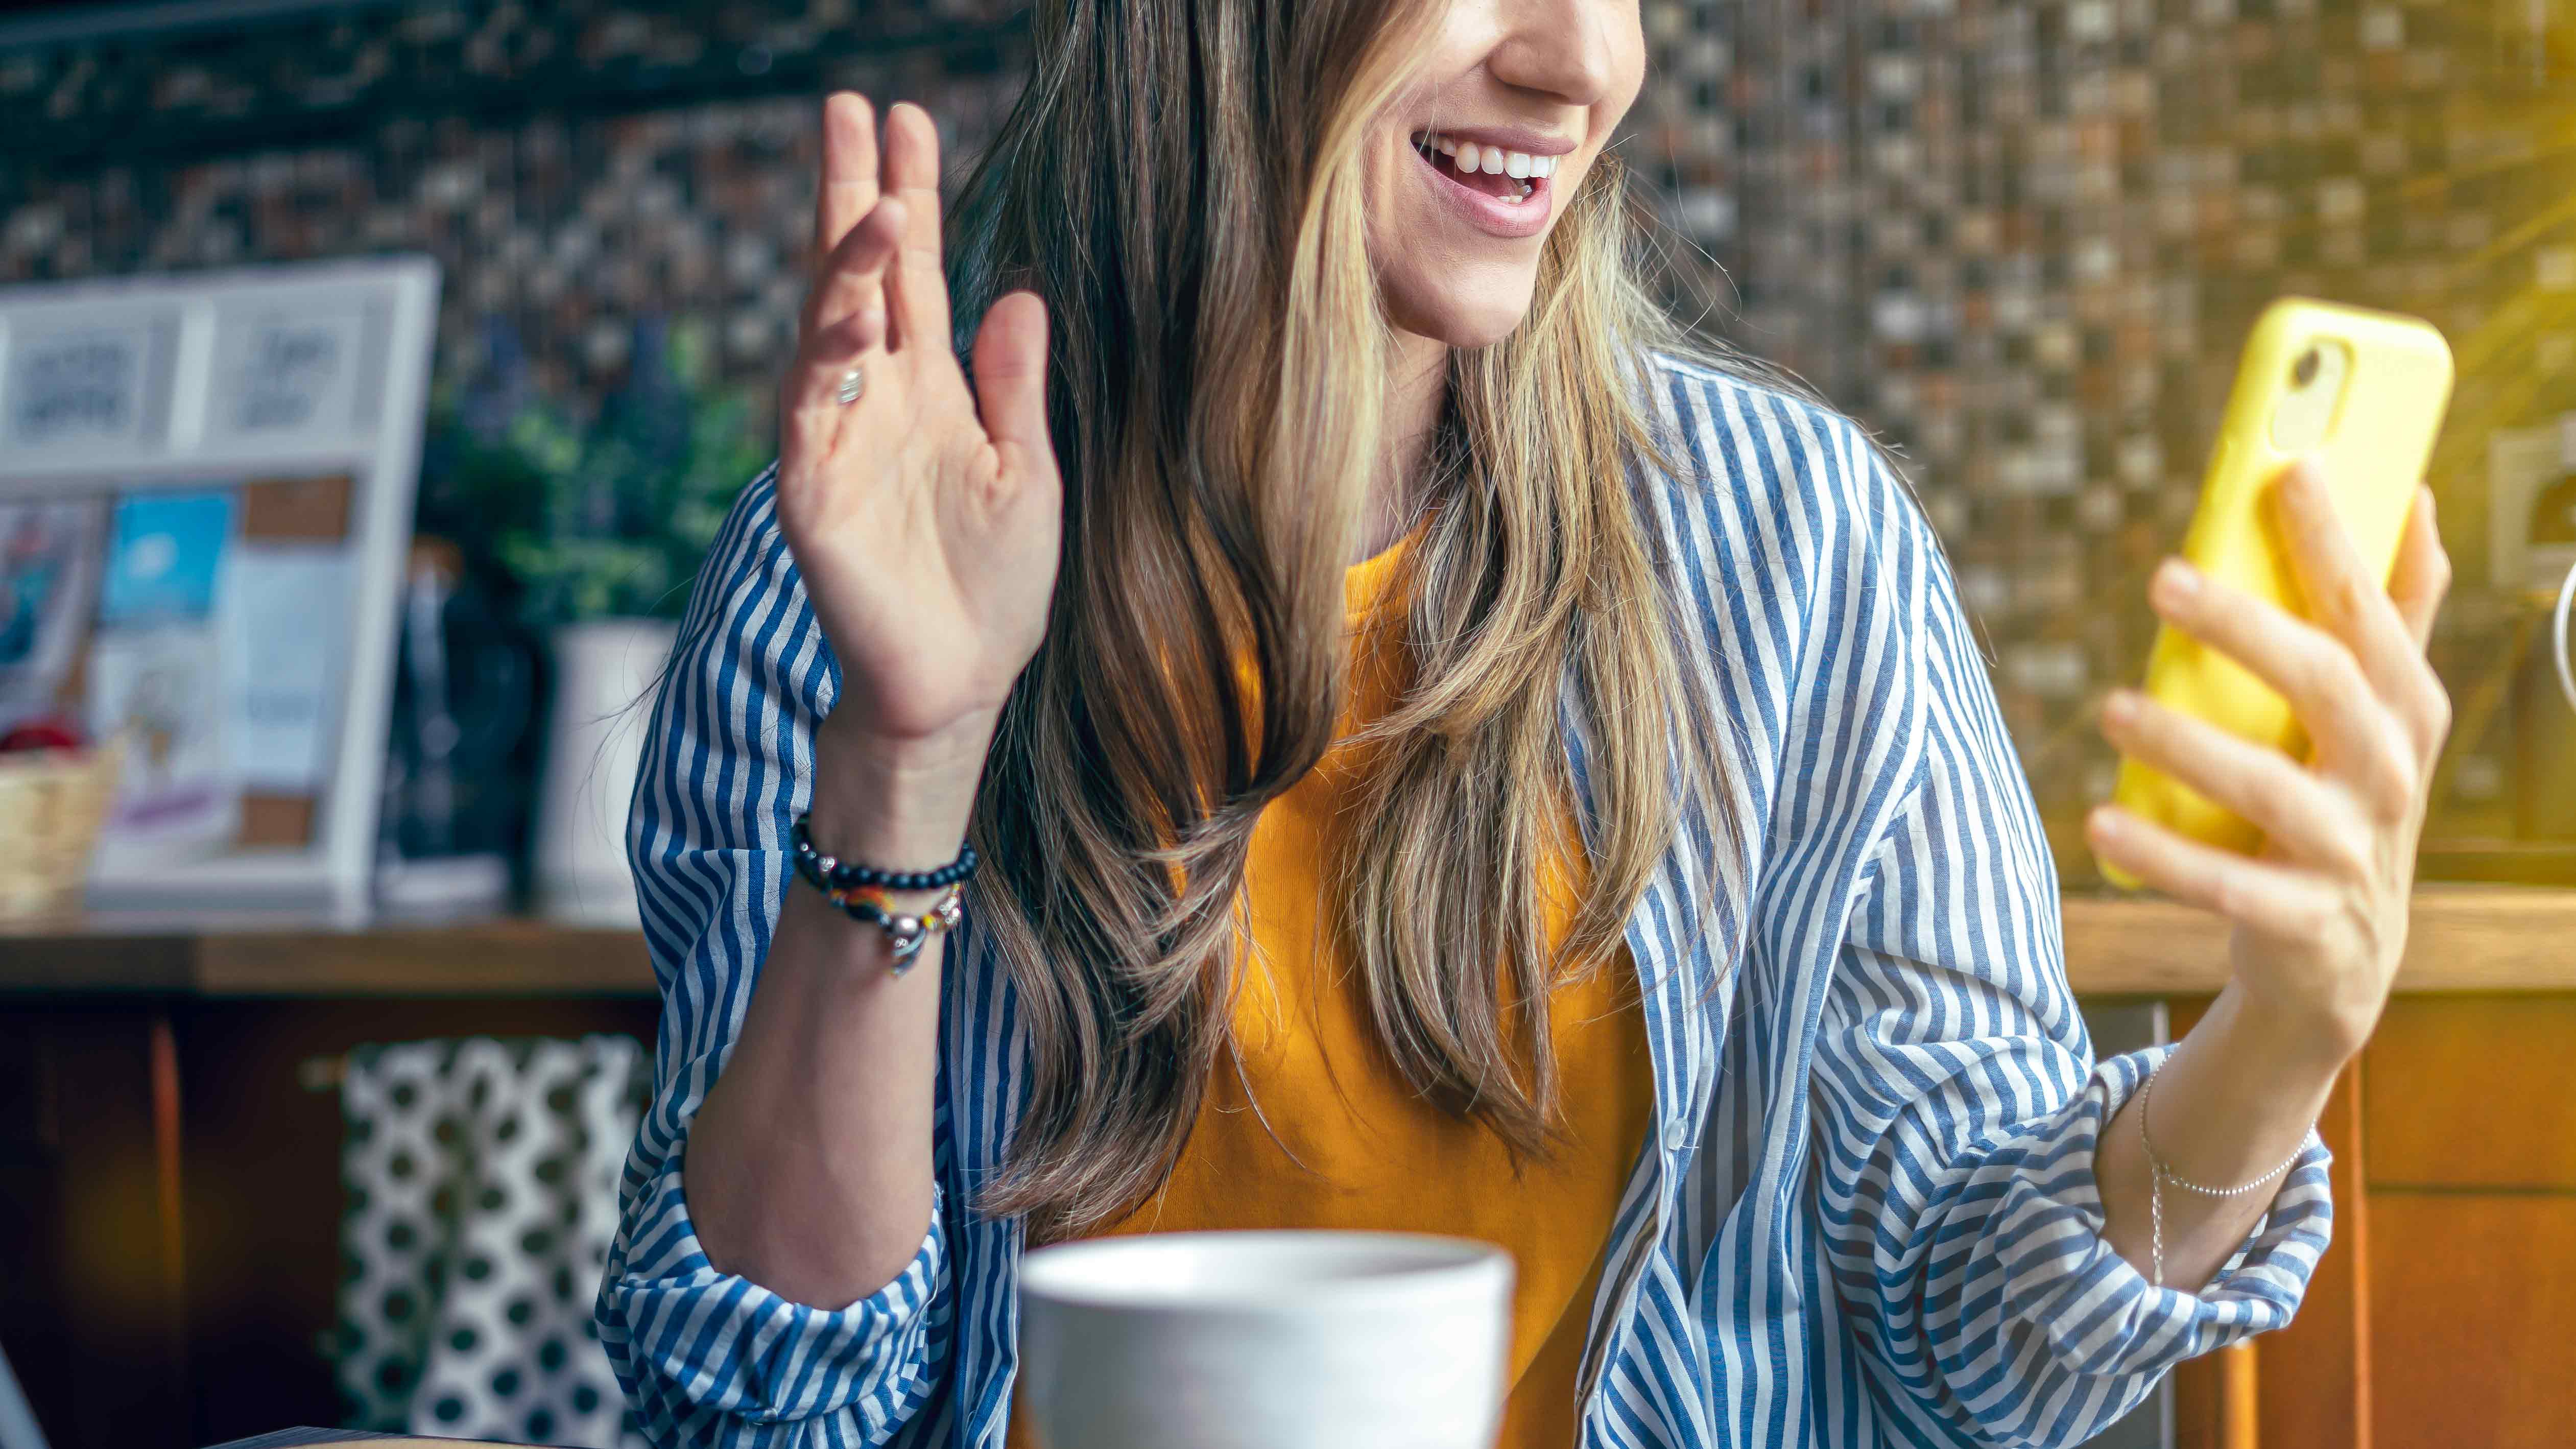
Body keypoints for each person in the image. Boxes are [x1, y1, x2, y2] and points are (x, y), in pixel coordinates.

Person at [596, 0, 2456, 1443]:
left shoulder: (1792, 549)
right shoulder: (868, 553)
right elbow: (766, 1411)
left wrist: (2282, 1039)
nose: (1582, 64)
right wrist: (911, 757)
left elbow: (1979, 1355)